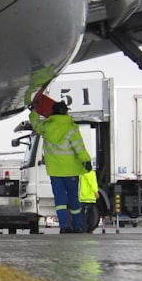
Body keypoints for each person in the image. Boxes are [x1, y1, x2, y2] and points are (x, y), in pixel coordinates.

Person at [29, 100, 92, 233]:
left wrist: (33, 112)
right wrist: (86, 161)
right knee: (74, 200)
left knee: (60, 200)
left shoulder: (46, 127)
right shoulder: (71, 128)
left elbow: (35, 124)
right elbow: (79, 147)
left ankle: (64, 226)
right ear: (64, 111)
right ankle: (77, 226)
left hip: (55, 171)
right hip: (71, 171)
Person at [79, 168, 99, 233]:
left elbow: (92, 183)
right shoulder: (85, 173)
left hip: (86, 198)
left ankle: (85, 229)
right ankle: (88, 229)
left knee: (84, 214)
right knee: (89, 214)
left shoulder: (87, 173)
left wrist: (96, 192)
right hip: (87, 198)